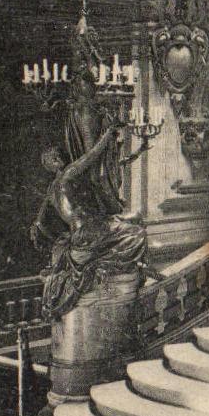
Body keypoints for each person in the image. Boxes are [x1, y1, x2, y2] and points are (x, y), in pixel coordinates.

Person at [32, 124, 151, 321]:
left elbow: (41, 218)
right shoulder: (67, 175)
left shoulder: (52, 189)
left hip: (81, 233)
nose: (59, 158)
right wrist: (107, 134)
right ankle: (126, 267)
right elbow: (91, 157)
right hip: (90, 231)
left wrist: (39, 228)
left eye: (58, 155)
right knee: (137, 232)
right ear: (51, 164)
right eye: (54, 158)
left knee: (125, 220)